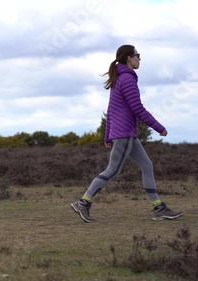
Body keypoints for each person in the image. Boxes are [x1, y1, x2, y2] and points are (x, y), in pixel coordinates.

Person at [70, 44, 183, 223]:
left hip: (125, 133)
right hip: (124, 134)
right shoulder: (127, 79)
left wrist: (107, 135)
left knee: (147, 165)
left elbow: (111, 110)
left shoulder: (119, 78)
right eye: (138, 55)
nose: (140, 59)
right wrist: (159, 127)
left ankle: (158, 208)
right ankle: (83, 202)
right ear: (129, 58)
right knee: (113, 170)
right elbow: (137, 108)